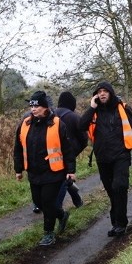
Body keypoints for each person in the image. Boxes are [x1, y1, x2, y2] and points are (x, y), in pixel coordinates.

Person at [78, 81, 132, 237]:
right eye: (99, 91)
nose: (102, 93)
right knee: (112, 192)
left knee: (119, 186)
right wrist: (91, 108)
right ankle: (116, 221)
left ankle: (120, 224)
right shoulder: (94, 112)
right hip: (102, 158)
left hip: (121, 156)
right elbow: (80, 127)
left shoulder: (122, 108)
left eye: (105, 91)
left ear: (110, 93)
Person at [14, 90, 76, 246]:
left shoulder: (57, 124)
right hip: (34, 171)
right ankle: (61, 215)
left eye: (37, 106)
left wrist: (70, 171)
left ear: (45, 107)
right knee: (39, 202)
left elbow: (67, 149)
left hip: (53, 172)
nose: (33, 109)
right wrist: (18, 169)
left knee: (48, 202)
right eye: (31, 106)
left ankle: (49, 233)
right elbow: (18, 148)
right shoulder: (25, 124)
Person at [53, 91, 87, 223]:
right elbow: (84, 140)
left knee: (62, 180)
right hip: (69, 155)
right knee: (65, 179)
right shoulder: (75, 117)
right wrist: (73, 153)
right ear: (72, 104)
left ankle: (71, 202)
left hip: (51, 157)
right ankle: (64, 205)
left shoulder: (50, 116)